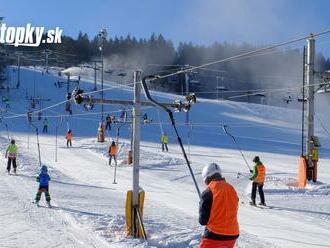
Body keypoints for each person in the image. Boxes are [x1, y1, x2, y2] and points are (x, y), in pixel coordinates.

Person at [199, 163, 239, 248]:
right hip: (232, 234)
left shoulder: (208, 192)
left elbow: (203, 221)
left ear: (208, 178)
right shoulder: (231, 189)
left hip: (214, 234)